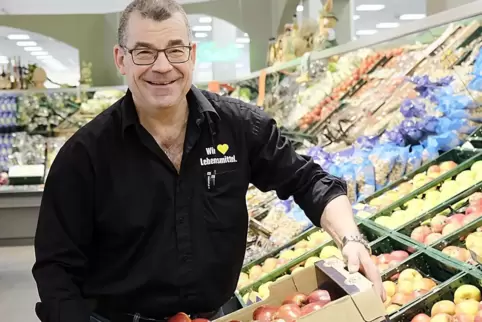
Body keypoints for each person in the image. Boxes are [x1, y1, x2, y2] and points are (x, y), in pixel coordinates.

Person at [32, 0, 384, 321]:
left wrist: (351, 240)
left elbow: (309, 181)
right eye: (144, 52)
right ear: (121, 58)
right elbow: (56, 270)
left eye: (175, 50)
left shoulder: (240, 128)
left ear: (192, 54)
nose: (162, 66)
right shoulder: (83, 156)